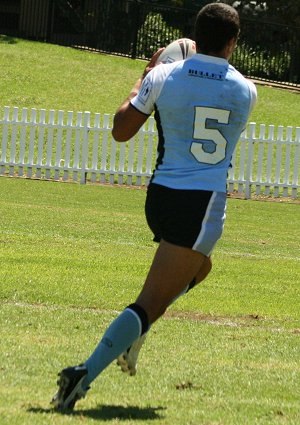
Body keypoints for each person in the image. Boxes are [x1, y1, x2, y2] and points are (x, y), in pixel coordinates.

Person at [51, 2, 257, 410]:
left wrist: (141, 80)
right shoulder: (246, 91)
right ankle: (83, 375)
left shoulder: (164, 75)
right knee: (149, 302)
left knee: (200, 269)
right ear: (233, 43)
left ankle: (137, 330)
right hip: (202, 206)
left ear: (196, 38)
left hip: (159, 196)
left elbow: (121, 131)